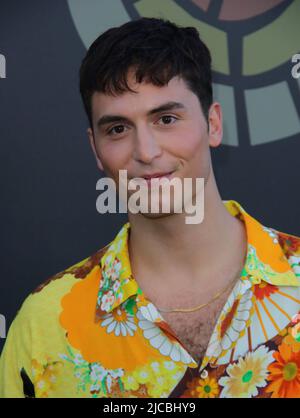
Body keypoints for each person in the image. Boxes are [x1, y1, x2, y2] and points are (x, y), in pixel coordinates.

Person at [1, 17, 300, 399]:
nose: (146, 151)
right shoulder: (45, 324)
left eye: (166, 119)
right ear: (95, 149)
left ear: (213, 124)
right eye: (118, 129)